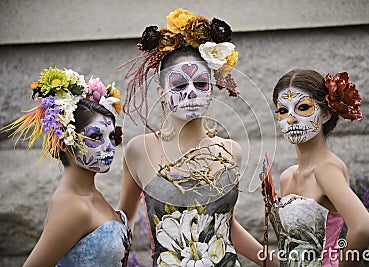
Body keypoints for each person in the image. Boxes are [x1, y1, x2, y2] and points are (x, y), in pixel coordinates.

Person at [118, 8, 268, 266]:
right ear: (161, 92)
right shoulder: (139, 151)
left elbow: (224, 224)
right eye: (178, 85)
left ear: (212, 87)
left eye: (200, 84)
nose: (191, 93)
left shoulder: (232, 151)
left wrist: (273, 261)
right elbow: (122, 226)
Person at [3, 67, 131, 267]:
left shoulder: (92, 195)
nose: (110, 147)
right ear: (65, 143)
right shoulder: (72, 206)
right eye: (96, 137)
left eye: (112, 137)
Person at [271, 69, 369, 266]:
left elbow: (364, 228)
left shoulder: (326, 169)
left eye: (302, 107)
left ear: (326, 113)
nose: (291, 119)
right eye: (283, 111)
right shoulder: (288, 176)